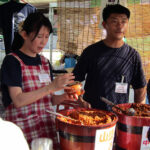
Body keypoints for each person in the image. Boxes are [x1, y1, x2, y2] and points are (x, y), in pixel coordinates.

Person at [0, 12, 90, 150]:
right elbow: (18, 100)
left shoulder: (44, 62)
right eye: (39, 36)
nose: (43, 42)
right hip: (22, 132)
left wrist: (64, 97)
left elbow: (48, 100)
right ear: (24, 34)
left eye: (47, 37)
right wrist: (51, 87)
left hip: (45, 130)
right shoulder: (12, 61)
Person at [73, 4, 146, 111]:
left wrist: (136, 117)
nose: (120, 26)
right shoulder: (91, 52)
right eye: (114, 21)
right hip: (93, 117)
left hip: (120, 118)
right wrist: (80, 100)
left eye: (124, 22)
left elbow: (140, 90)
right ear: (104, 24)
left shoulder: (133, 56)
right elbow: (74, 80)